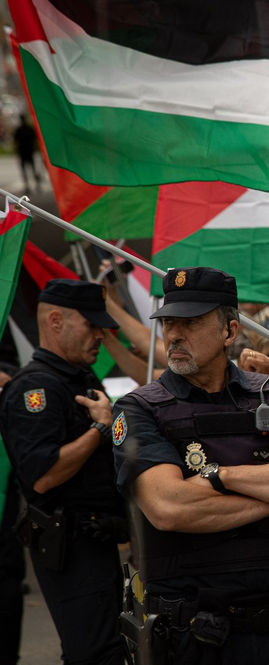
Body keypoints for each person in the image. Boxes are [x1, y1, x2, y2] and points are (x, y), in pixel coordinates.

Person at [111, 267, 269, 665]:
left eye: (192, 322)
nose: (175, 334)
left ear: (230, 332)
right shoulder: (139, 408)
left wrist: (218, 477)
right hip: (191, 638)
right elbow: (170, 507)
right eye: (169, 322)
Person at [0, 279, 125, 665]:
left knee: (106, 647)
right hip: (70, 545)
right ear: (56, 321)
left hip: (98, 537)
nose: (100, 336)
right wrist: (99, 431)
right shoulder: (35, 389)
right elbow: (43, 475)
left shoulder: (79, 377)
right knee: (94, 652)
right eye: (91, 326)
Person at [13, 115, 41, 193]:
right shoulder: (23, 129)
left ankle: (34, 185)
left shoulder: (23, 129)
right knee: (28, 169)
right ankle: (30, 185)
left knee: (30, 169)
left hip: (26, 151)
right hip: (26, 151)